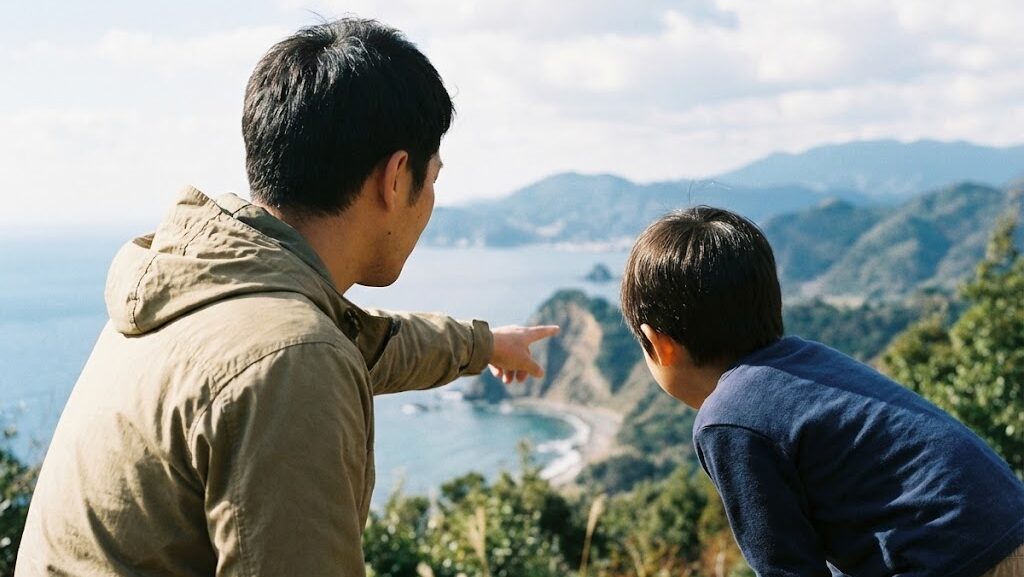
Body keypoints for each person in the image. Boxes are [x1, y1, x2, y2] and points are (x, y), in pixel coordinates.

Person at [16, 18, 557, 576]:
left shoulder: (195, 291)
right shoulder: (290, 358)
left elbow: (361, 341)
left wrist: (484, 344)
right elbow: (309, 355)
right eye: (433, 177)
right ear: (396, 178)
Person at [619, 207, 1024, 577]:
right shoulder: (810, 361)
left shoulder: (726, 418)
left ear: (660, 345)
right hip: (1005, 525)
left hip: (951, 560)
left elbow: (789, 570)